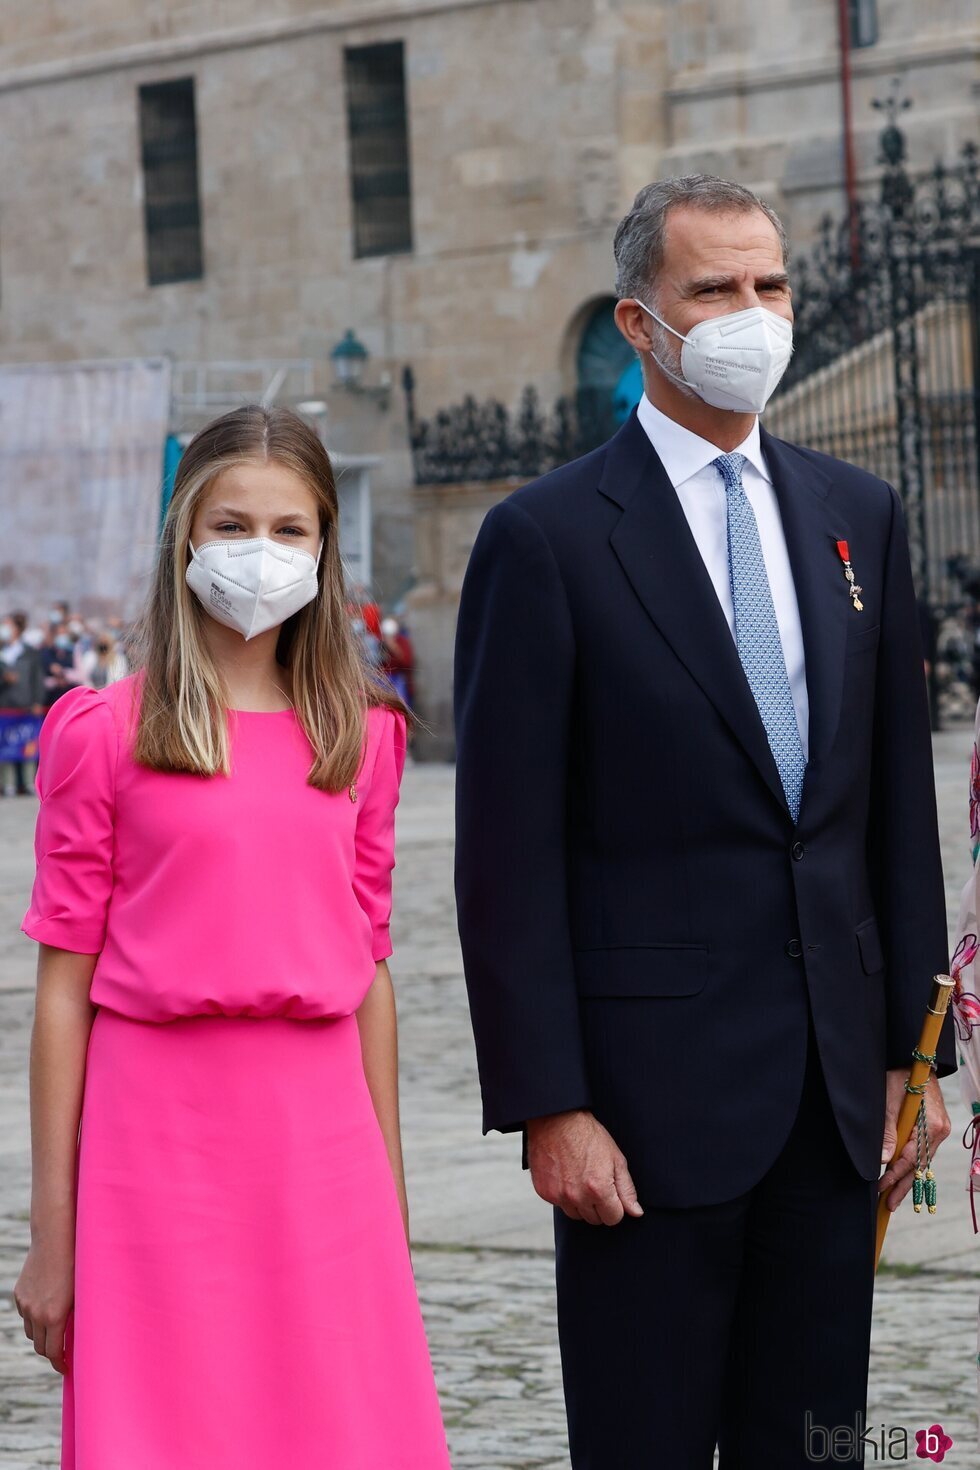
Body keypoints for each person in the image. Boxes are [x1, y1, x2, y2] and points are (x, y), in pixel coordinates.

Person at [453, 175, 956, 1468]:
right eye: (714, 290)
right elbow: (507, 857)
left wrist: (918, 1052)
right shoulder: (547, 540)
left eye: (771, 285)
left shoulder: (861, 518)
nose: (753, 314)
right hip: (643, 1117)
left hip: (836, 1102)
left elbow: (894, 808)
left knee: (821, 1443)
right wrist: (549, 1102)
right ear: (639, 321)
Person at [13, 405, 453, 1470]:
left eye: (288, 528)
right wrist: (49, 1235)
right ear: (185, 539)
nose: (260, 550)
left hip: (321, 1141)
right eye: (231, 524)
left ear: (323, 545)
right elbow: (63, 990)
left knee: (339, 1430)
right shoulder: (102, 731)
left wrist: (387, 1201)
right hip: (151, 1141)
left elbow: (370, 976)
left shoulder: (363, 733)